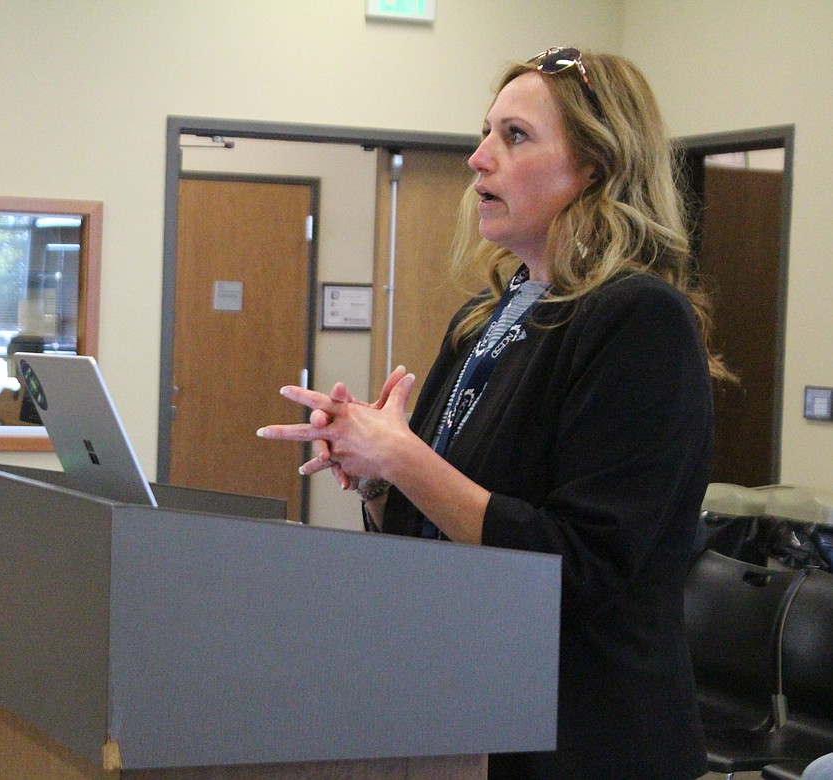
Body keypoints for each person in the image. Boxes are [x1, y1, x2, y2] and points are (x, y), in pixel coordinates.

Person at [258, 47, 728, 779]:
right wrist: (379, 476)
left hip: (588, 737)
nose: (478, 158)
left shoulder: (639, 319)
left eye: (515, 136)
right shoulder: (489, 315)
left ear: (597, 167)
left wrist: (405, 457)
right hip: (474, 711)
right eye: (486, 132)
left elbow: (581, 566)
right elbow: (443, 528)